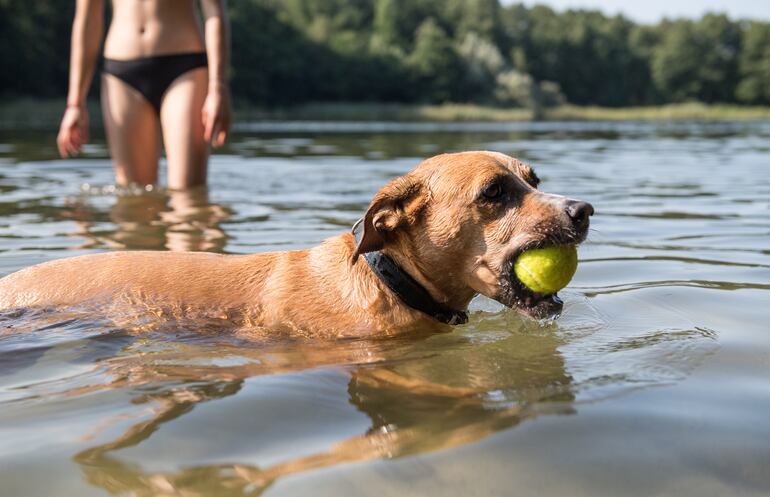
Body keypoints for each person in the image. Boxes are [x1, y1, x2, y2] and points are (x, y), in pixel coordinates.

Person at [57, 0, 232, 190]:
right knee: (133, 196)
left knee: (188, 195)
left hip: (185, 68)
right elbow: (87, 19)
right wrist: (75, 103)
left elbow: (215, 12)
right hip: (121, 73)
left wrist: (217, 87)